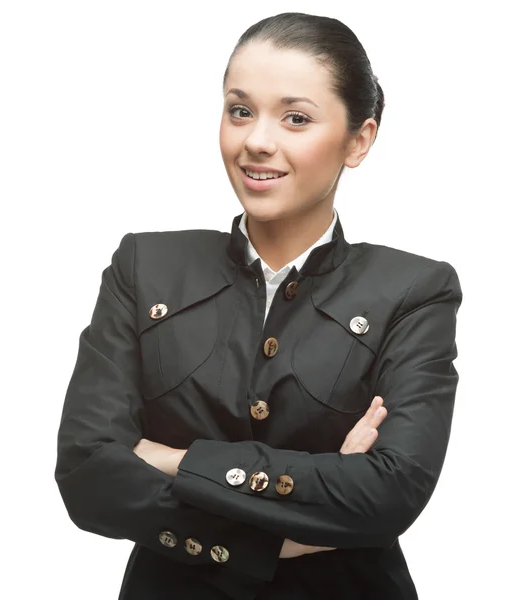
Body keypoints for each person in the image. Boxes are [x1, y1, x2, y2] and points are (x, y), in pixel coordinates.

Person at [54, 12, 463, 600]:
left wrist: (174, 458)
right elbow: (87, 474)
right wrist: (284, 536)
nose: (257, 141)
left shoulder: (414, 290)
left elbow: (390, 492)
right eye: (239, 110)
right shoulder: (144, 268)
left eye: (296, 118)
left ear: (359, 139)